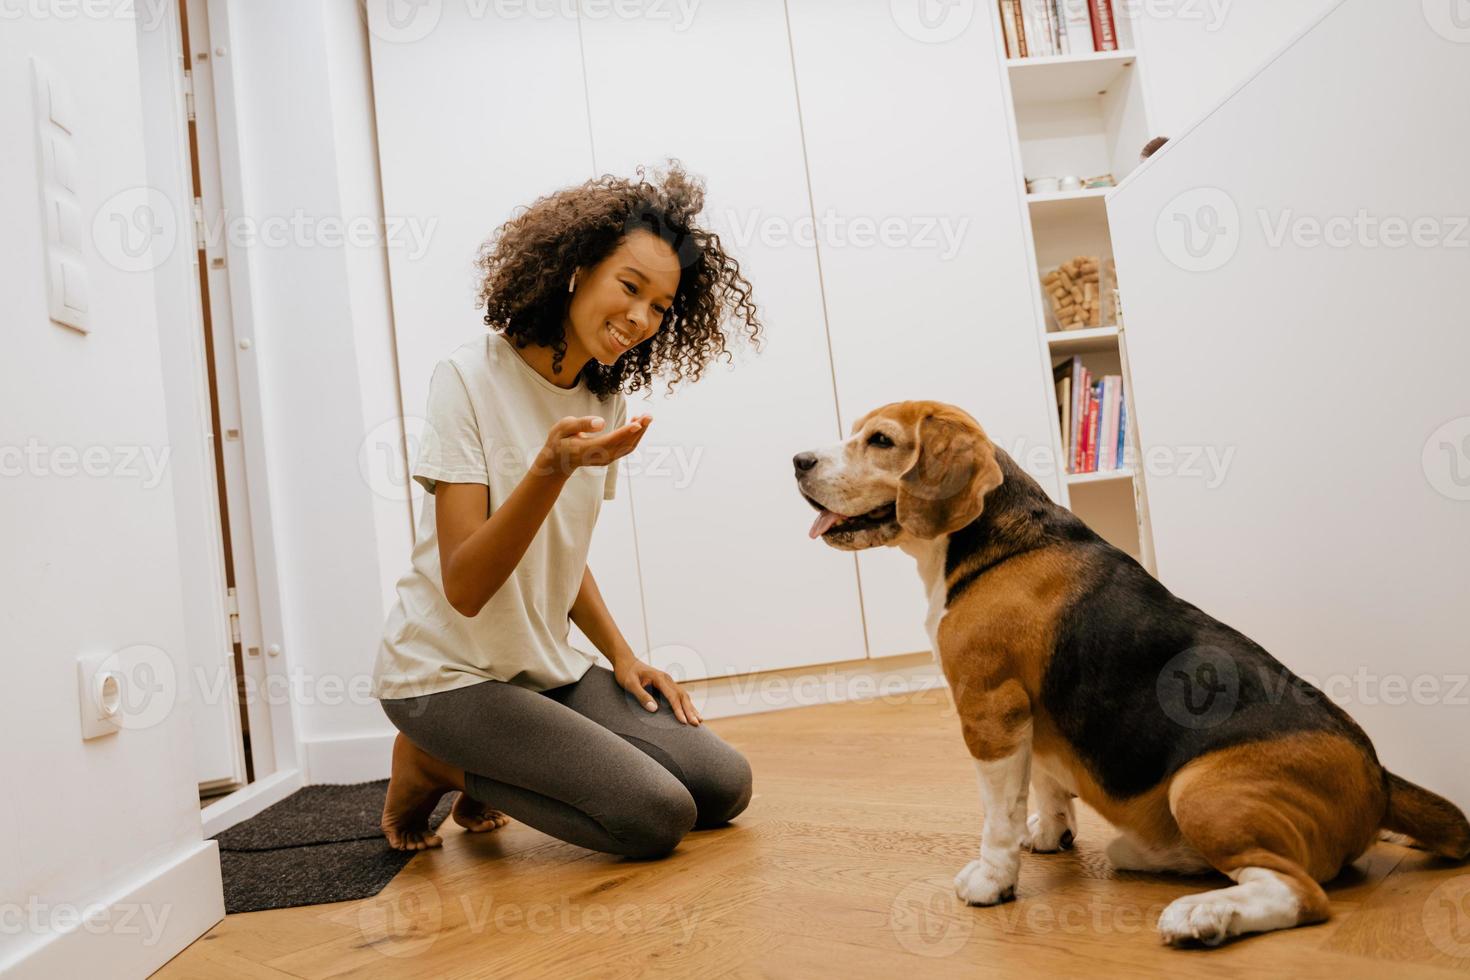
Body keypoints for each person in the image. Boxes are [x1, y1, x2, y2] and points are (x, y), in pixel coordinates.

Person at [372, 163, 761, 858]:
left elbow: (561, 554)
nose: (641, 318)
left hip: (542, 668)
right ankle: (434, 762)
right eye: (630, 287)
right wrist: (549, 470)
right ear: (577, 269)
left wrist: (623, 656)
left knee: (722, 785)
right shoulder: (467, 378)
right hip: (445, 678)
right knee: (653, 815)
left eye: (660, 308)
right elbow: (464, 585)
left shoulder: (598, 398)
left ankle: (497, 763)